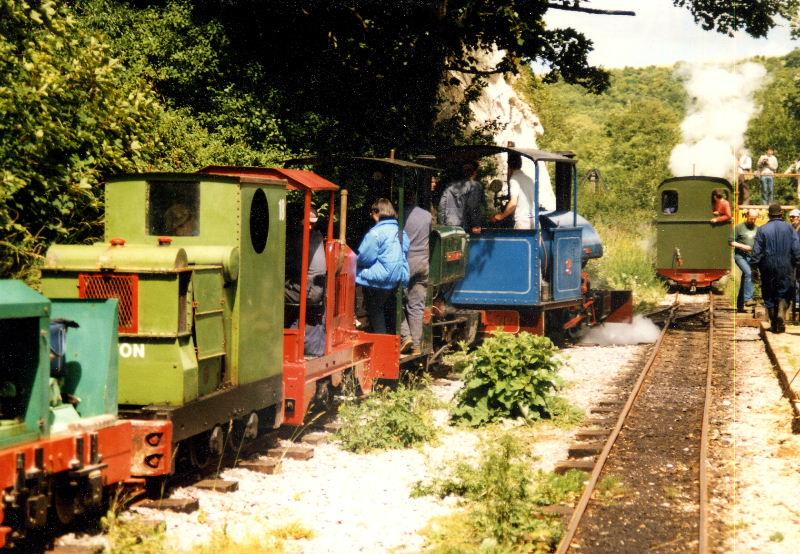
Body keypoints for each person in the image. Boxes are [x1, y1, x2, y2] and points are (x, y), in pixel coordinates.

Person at [356, 198, 410, 334]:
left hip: (379, 279)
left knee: (375, 308)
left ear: (377, 212)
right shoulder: (400, 232)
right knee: (394, 305)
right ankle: (405, 335)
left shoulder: (375, 233)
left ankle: (381, 338)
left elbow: (364, 257)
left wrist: (357, 266)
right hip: (396, 277)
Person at [750, 203, 800, 333]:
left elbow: (756, 251)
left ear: (769, 215)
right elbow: (796, 249)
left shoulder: (762, 229)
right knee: (785, 290)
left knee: (768, 291)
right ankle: (781, 312)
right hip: (786, 265)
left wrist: (754, 267)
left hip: (767, 265)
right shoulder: (790, 229)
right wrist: (798, 264)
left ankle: (773, 322)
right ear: (781, 214)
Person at [285, 206, 327, 356]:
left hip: (308, 291)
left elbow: (290, 264)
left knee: (272, 292)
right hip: (316, 290)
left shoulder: (301, 239)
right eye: (307, 223)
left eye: (312, 223)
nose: (310, 226)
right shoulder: (318, 236)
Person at [399, 193, 431, 354]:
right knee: (417, 305)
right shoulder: (427, 216)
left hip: (406, 264)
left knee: (395, 299)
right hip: (423, 264)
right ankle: (417, 346)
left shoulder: (400, 215)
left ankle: (406, 336)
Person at [490, 153, 535, 229]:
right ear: (520, 163)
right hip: (534, 220)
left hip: (522, 222)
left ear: (509, 165)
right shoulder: (529, 179)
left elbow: (513, 203)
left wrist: (501, 216)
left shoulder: (514, 179)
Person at [438, 161, 484, 234]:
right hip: (465, 227)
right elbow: (473, 206)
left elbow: (442, 206)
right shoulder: (475, 186)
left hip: (449, 225)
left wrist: (442, 225)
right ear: (474, 173)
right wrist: (476, 224)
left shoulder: (449, 187)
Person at [729, 209, 759, 312]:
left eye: (755, 219)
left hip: (752, 257)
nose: (753, 221)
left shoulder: (758, 229)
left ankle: (740, 305)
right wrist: (743, 246)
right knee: (749, 273)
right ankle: (748, 299)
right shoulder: (738, 227)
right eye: (751, 218)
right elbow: (731, 242)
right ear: (746, 216)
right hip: (740, 256)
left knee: (746, 279)